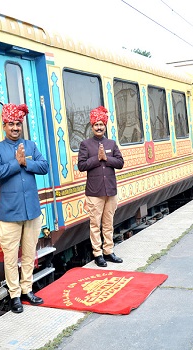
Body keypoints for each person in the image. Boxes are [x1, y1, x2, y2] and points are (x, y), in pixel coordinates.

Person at [0, 103, 49, 313]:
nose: (15, 128)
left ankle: (27, 290)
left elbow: (44, 166)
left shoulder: (31, 145)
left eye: (18, 124)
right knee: (11, 258)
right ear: (4, 126)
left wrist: (26, 163)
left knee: (30, 253)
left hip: (31, 211)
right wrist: (17, 163)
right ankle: (14, 296)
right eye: (11, 124)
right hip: (9, 214)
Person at [78, 106, 124, 268]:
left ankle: (108, 251)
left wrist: (106, 159)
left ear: (105, 126)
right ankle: (97, 253)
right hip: (94, 192)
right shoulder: (86, 144)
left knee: (108, 223)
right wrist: (97, 159)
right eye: (96, 125)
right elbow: (81, 165)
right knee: (95, 224)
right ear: (92, 127)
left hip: (110, 190)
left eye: (101, 124)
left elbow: (120, 163)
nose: (99, 127)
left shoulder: (111, 143)